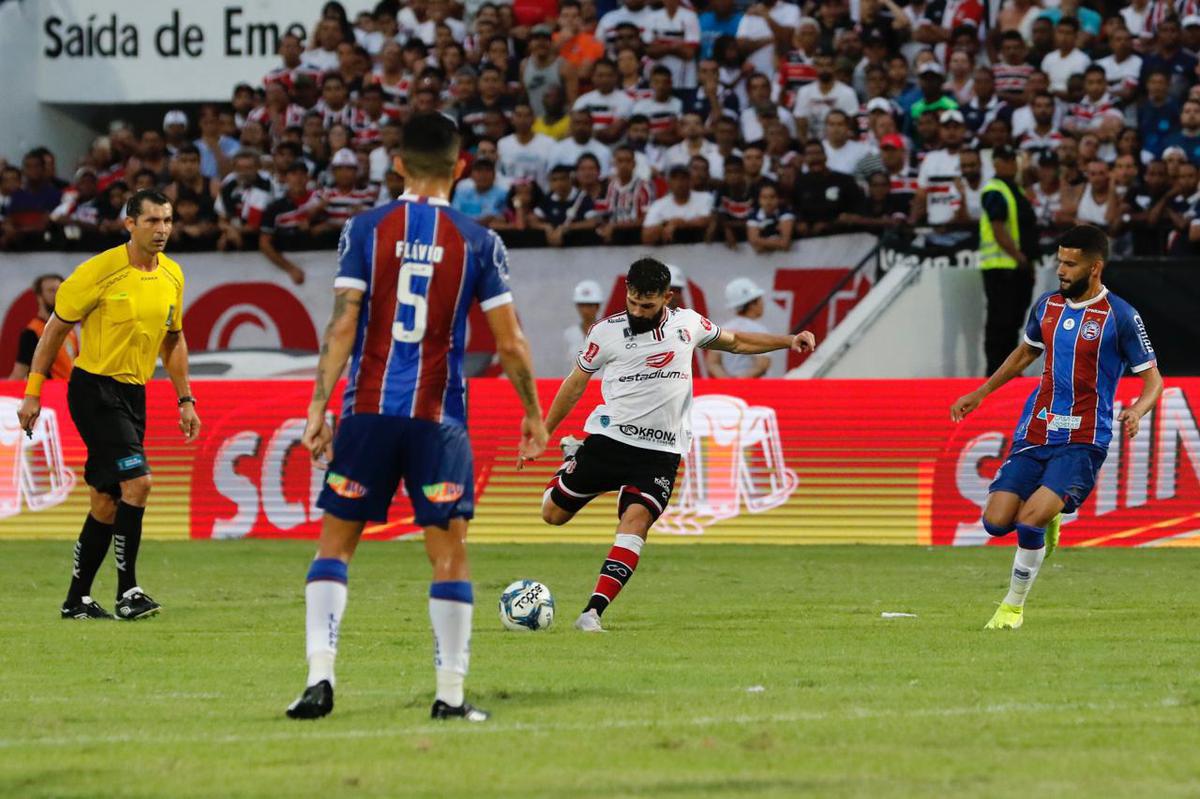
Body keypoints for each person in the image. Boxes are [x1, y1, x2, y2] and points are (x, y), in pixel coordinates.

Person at [285, 112, 547, 722]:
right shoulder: (479, 241)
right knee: (448, 553)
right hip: (439, 419)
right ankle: (449, 697)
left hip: (368, 413)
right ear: (460, 167)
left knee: (335, 545)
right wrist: (534, 414)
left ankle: (319, 680)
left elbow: (343, 324)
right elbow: (510, 344)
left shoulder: (364, 229)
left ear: (397, 164)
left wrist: (317, 407)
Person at [533, 258, 816, 631]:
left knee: (636, 521)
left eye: (647, 305)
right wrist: (543, 430)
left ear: (666, 298)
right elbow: (575, 382)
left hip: (661, 454)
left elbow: (736, 341)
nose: (637, 311)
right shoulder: (606, 332)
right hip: (610, 442)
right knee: (552, 515)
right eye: (633, 302)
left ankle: (592, 613)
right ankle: (575, 454)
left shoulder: (688, 324)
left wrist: (787, 340)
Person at [950, 225, 1163, 630]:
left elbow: (1154, 381)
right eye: (1059, 262)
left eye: (1070, 263)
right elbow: (1022, 355)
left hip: (1083, 439)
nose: (1061, 270)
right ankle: (1052, 514)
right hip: (1037, 429)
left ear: (1095, 268)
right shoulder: (1047, 306)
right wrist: (981, 393)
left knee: (1029, 522)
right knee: (996, 522)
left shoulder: (1120, 315)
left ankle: (1012, 608)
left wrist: (1137, 410)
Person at [17, 189, 200, 621]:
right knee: (139, 484)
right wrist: (32, 391)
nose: (162, 230)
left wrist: (185, 398)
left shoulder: (173, 275)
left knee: (106, 501)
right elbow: (54, 333)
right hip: (94, 389)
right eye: (152, 221)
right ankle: (128, 591)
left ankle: (76, 599)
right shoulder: (97, 272)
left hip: (134, 393)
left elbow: (173, 339)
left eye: (167, 221)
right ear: (129, 224)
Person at [978, 146, 1039, 375]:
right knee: (1000, 321)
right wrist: (1018, 256)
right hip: (1001, 266)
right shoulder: (995, 190)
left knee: (1013, 322)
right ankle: (995, 368)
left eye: (1012, 159)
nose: (1010, 164)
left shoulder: (1015, 190)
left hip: (1017, 267)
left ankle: (1008, 369)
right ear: (995, 163)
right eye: (1004, 159)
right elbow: (997, 227)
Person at [9, 274, 78, 380]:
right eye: (51, 290)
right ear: (39, 296)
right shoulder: (31, 333)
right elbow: (19, 373)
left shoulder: (70, 330)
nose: (57, 294)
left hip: (68, 392)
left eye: (59, 290)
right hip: (48, 393)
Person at [705, 277, 772, 378]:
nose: (762, 304)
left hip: (729, 391)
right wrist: (739, 381)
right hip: (754, 389)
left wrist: (727, 382)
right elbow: (762, 365)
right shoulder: (759, 331)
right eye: (759, 300)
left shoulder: (723, 329)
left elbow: (713, 362)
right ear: (752, 303)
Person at [563, 280, 604, 370]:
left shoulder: (607, 333)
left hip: (601, 383)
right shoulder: (569, 334)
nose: (585, 310)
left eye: (589, 305)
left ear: (597, 306)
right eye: (582, 305)